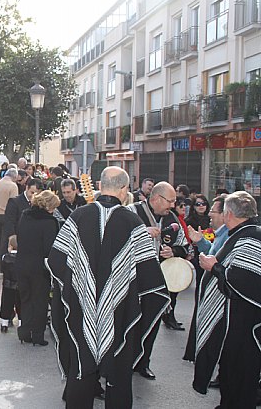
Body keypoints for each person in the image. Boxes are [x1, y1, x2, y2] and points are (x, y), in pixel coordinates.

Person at [48, 166, 170, 408]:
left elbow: (56, 260)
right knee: (119, 376)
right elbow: (151, 279)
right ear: (124, 189)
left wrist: (79, 286)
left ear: (100, 185)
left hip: (81, 311)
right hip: (121, 313)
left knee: (81, 371)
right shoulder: (134, 223)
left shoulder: (78, 217)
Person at [194, 191, 261, 408]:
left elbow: (241, 281)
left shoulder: (250, 237)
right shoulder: (245, 233)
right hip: (239, 327)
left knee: (240, 378)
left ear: (229, 214)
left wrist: (213, 266)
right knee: (232, 375)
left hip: (244, 328)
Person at [127, 181, 189, 379]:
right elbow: (114, 239)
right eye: (169, 201)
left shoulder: (171, 218)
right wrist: (142, 233)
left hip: (158, 282)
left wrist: (174, 251)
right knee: (127, 323)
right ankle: (123, 362)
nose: (172, 205)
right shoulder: (131, 212)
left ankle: (143, 363)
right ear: (155, 198)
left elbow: (186, 248)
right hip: (131, 280)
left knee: (151, 323)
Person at [182, 195, 228, 363]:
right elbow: (212, 254)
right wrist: (200, 241)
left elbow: (216, 261)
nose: (209, 214)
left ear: (226, 214)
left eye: (212, 211)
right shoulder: (221, 234)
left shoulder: (230, 235)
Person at [15, 190, 60, 345]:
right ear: (49, 206)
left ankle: (25, 332)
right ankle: (38, 335)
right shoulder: (49, 222)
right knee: (40, 300)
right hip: (39, 267)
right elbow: (50, 248)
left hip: (22, 264)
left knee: (26, 299)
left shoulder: (24, 216)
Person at [0, 178, 42, 331]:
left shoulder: (38, 203)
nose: (33, 196)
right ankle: (7, 315)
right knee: (10, 286)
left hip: (29, 250)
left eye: (36, 193)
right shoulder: (15, 202)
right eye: (31, 193)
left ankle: (22, 316)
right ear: (26, 188)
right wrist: (13, 241)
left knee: (23, 288)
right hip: (14, 247)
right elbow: (9, 223)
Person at [0, 168, 19, 272]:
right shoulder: (13, 186)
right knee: (5, 241)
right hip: (6, 215)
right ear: (14, 177)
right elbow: (14, 203)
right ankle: (3, 266)